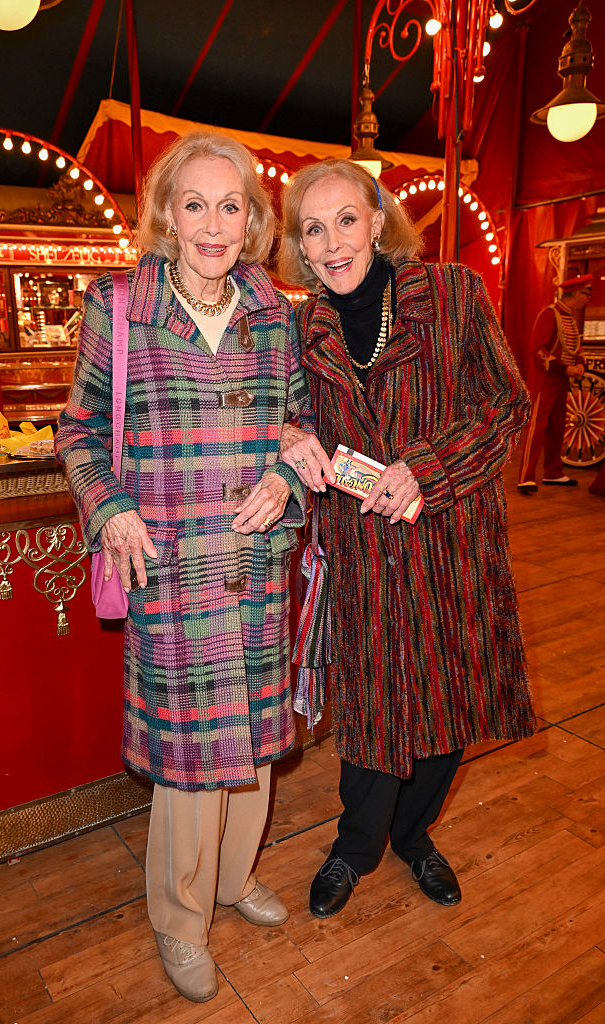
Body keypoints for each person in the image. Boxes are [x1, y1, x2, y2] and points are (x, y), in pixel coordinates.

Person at [55, 131, 315, 1003]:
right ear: (166, 214)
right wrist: (111, 505)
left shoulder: (278, 312)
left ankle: (233, 880)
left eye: (230, 206)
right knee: (189, 760)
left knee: (253, 748)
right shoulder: (118, 305)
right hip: (167, 569)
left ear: (253, 222)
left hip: (254, 564)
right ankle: (178, 916)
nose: (213, 224)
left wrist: (286, 478)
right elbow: (79, 430)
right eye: (194, 204)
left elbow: (304, 427)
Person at [277, 158, 536, 920]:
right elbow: (288, 417)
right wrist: (290, 435)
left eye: (345, 220)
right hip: (361, 555)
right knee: (369, 711)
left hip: (451, 545)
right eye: (313, 228)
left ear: (378, 220)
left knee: (447, 702)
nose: (331, 242)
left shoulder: (452, 295)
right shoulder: (299, 328)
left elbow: (508, 404)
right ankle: (354, 847)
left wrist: (426, 468)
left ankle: (415, 835)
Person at [517, 273, 593, 492]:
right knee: (537, 427)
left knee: (558, 427)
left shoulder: (570, 317)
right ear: (577, 294)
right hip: (545, 380)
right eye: (587, 294)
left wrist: (579, 364)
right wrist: (564, 367)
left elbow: (574, 346)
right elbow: (536, 350)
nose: (588, 299)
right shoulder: (550, 314)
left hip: (561, 380)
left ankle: (553, 471)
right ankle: (526, 476)